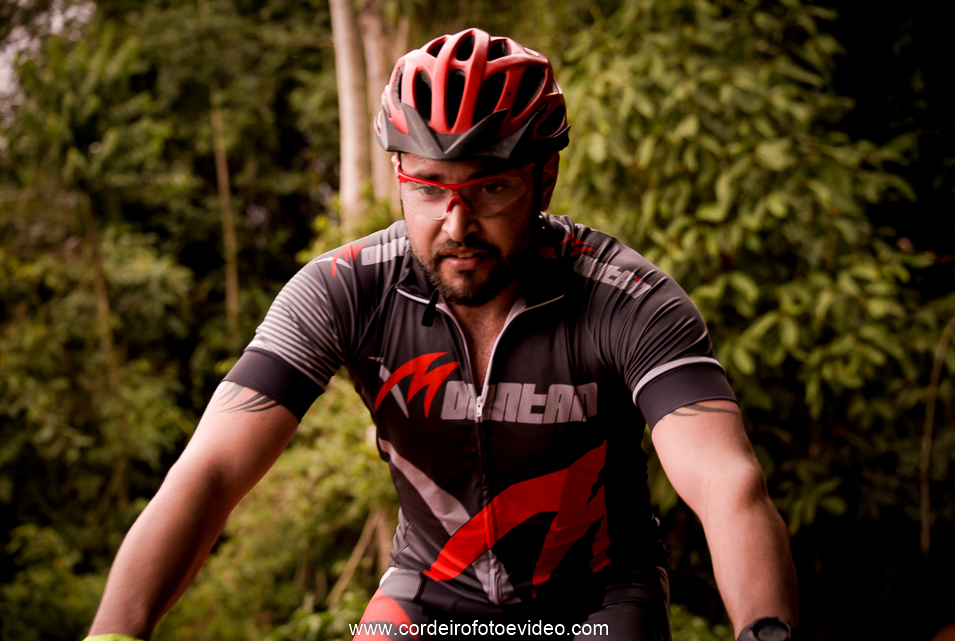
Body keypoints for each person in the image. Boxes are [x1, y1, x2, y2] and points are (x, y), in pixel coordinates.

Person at [86, 28, 798, 641]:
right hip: (429, 592)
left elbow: (727, 483)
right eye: (429, 188)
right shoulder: (345, 289)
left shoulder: (625, 298)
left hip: (595, 602)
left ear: (544, 178)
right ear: (399, 176)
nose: (457, 225)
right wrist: (114, 632)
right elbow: (211, 471)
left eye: (489, 188)